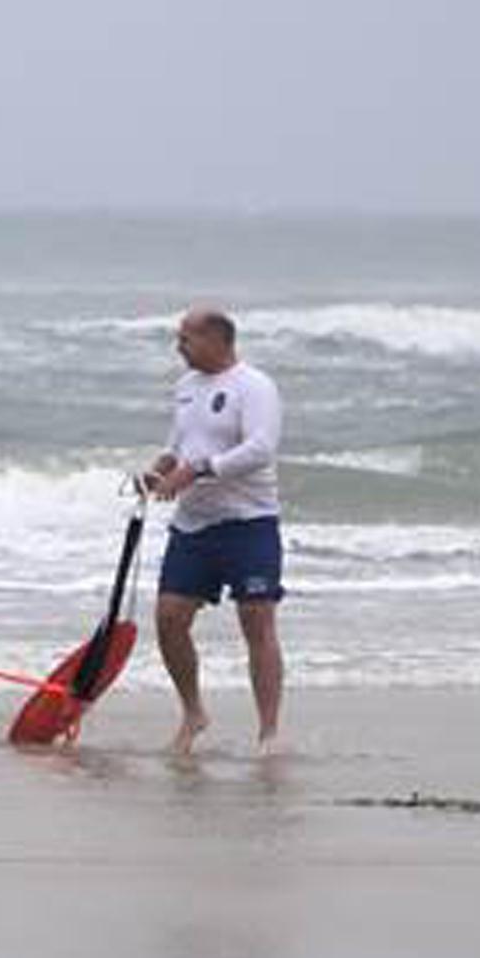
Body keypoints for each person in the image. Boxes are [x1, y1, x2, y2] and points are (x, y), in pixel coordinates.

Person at [141, 306, 285, 756]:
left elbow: (261, 448)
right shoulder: (185, 388)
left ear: (218, 340)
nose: (178, 347)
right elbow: (178, 444)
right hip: (194, 524)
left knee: (256, 622)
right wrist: (159, 468)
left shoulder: (254, 385)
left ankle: (269, 732)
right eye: (179, 338)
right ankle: (193, 712)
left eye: (187, 338)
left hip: (249, 522)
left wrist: (198, 470)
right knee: (168, 618)